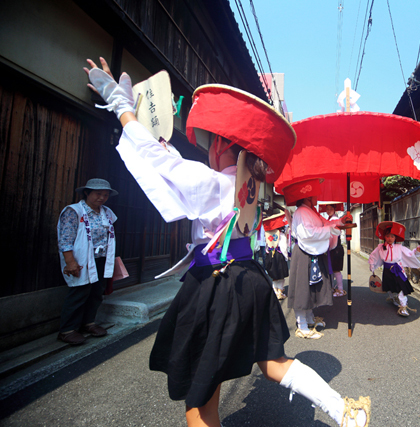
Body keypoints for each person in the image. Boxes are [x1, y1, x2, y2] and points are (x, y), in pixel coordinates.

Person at [84, 58, 370, 427]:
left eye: (211, 143)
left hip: (217, 284)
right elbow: (172, 161)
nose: (207, 149)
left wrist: (122, 108)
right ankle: (343, 410)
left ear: (221, 145)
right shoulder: (245, 183)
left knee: (200, 396)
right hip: (251, 279)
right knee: (272, 362)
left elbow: (160, 162)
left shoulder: (212, 182)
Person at [284, 179, 352, 339]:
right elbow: (308, 233)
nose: (317, 196)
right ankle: (301, 325)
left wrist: (341, 221)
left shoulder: (310, 211)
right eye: (314, 194)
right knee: (302, 289)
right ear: (308, 196)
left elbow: (326, 223)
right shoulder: (301, 212)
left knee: (311, 287)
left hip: (312, 253)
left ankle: (309, 318)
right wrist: (332, 228)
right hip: (304, 254)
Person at [57, 178, 118, 345]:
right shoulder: (73, 211)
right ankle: (67, 330)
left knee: (96, 292)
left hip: (101, 258)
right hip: (81, 259)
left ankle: (88, 323)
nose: (102, 198)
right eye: (98, 194)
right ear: (86, 193)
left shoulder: (107, 212)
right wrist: (70, 262)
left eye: (105, 195)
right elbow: (65, 239)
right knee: (79, 291)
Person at [368, 221, 420, 317]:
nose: (390, 238)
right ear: (384, 237)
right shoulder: (380, 247)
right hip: (387, 270)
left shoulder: (399, 247)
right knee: (389, 287)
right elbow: (373, 256)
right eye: (388, 236)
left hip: (397, 270)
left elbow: (409, 253)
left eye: (392, 236)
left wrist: (416, 251)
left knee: (402, 287)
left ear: (395, 238)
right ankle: (394, 298)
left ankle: (403, 307)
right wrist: (372, 265)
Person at [322, 203, 347, 297]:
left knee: (336, 270)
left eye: (330, 209)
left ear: (334, 209)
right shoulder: (330, 219)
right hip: (332, 248)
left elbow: (333, 236)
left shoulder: (334, 220)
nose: (328, 211)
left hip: (335, 248)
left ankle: (340, 289)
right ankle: (333, 287)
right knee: (331, 269)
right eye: (327, 209)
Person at [263, 212, 289, 300]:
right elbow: (284, 247)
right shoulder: (281, 235)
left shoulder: (268, 234)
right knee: (280, 275)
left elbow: (267, 247)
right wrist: (286, 257)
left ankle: (275, 291)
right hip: (279, 255)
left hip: (270, 255)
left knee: (274, 274)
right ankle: (280, 292)